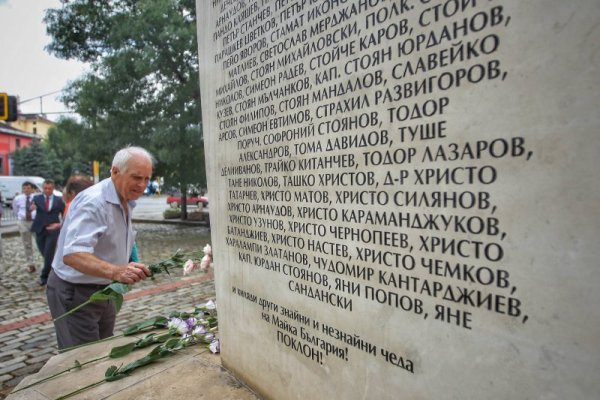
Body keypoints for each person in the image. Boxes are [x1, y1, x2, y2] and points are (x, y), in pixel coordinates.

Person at [47, 146, 153, 349]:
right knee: (83, 361)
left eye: (147, 179)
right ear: (115, 171)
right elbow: (73, 255)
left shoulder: (125, 199)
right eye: (137, 177)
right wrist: (116, 271)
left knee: (103, 352)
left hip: (105, 289)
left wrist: (130, 263)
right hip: (76, 293)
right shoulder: (94, 202)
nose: (142, 185)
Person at [31, 179, 65, 286]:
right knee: (45, 253)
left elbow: (65, 215)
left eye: (49, 188)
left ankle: (44, 276)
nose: (47, 190)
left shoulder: (59, 200)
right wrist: (31, 208)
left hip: (53, 230)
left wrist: (59, 224)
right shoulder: (37, 198)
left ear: (53, 188)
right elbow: (29, 208)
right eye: (45, 188)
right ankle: (52, 270)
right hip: (39, 229)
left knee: (48, 252)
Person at [12, 181, 38, 272]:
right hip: (23, 221)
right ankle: (30, 263)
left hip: (34, 221)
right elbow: (15, 209)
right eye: (24, 188)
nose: (26, 190)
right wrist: (20, 218)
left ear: (32, 189)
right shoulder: (18, 198)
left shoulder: (36, 197)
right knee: (27, 243)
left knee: (39, 241)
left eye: (28, 188)